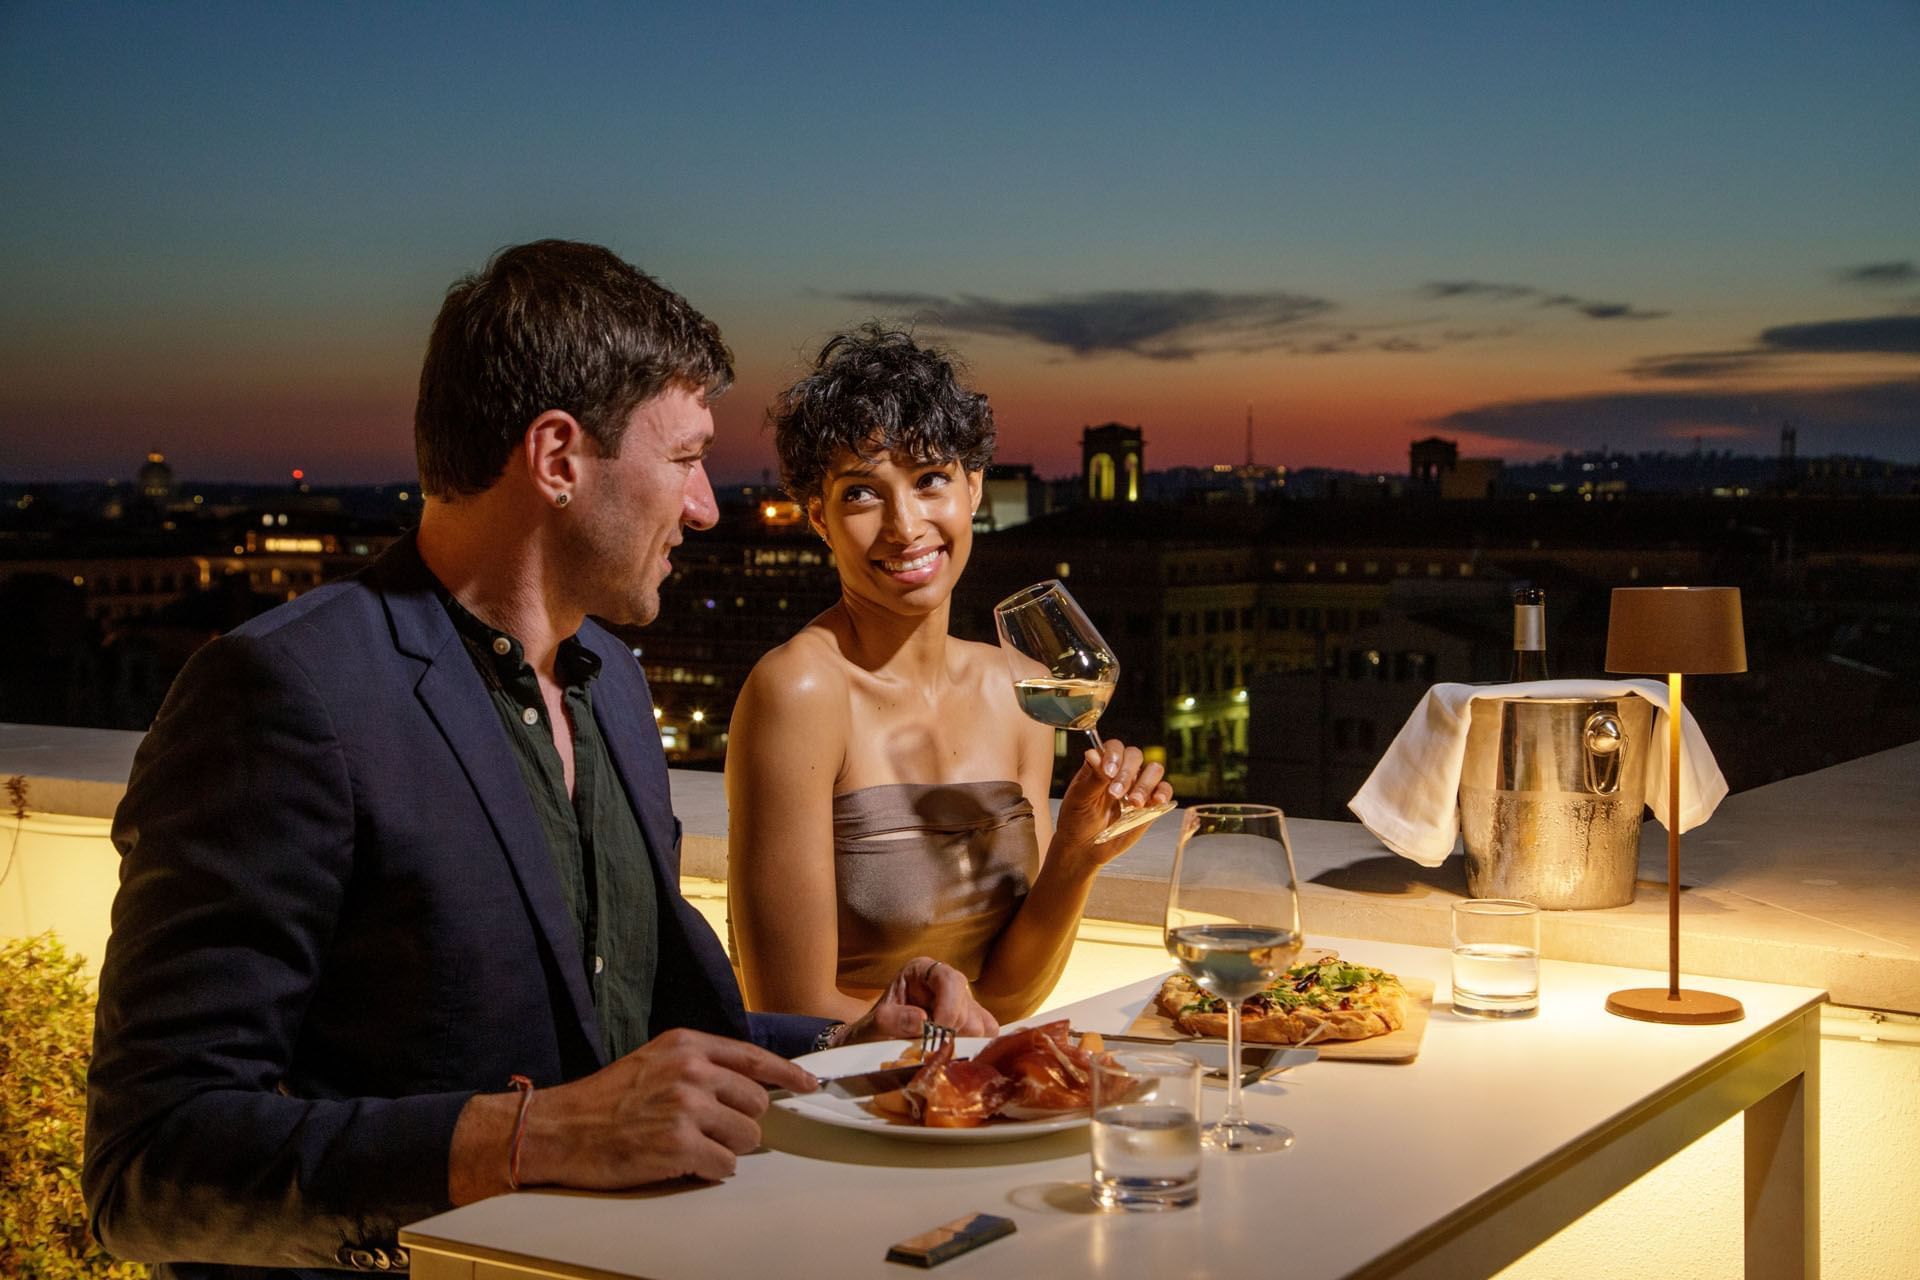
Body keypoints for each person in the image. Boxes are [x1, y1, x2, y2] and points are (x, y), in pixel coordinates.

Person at [83, 242, 994, 1279]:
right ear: (559, 458)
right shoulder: (283, 695)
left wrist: (855, 1043)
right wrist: (532, 1137)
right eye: (686, 458)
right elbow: (145, 1168)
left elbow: (641, 1038)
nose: (705, 506)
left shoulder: (612, 679)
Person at [725, 326, 1173, 1026]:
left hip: (967, 1100)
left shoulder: (1020, 688)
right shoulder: (799, 692)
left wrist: (1078, 858)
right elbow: (785, 1009)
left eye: (930, 479)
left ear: (973, 487)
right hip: (845, 1107)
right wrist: (956, 1060)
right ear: (820, 519)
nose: (906, 526)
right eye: (862, 494)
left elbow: (1005, 996)